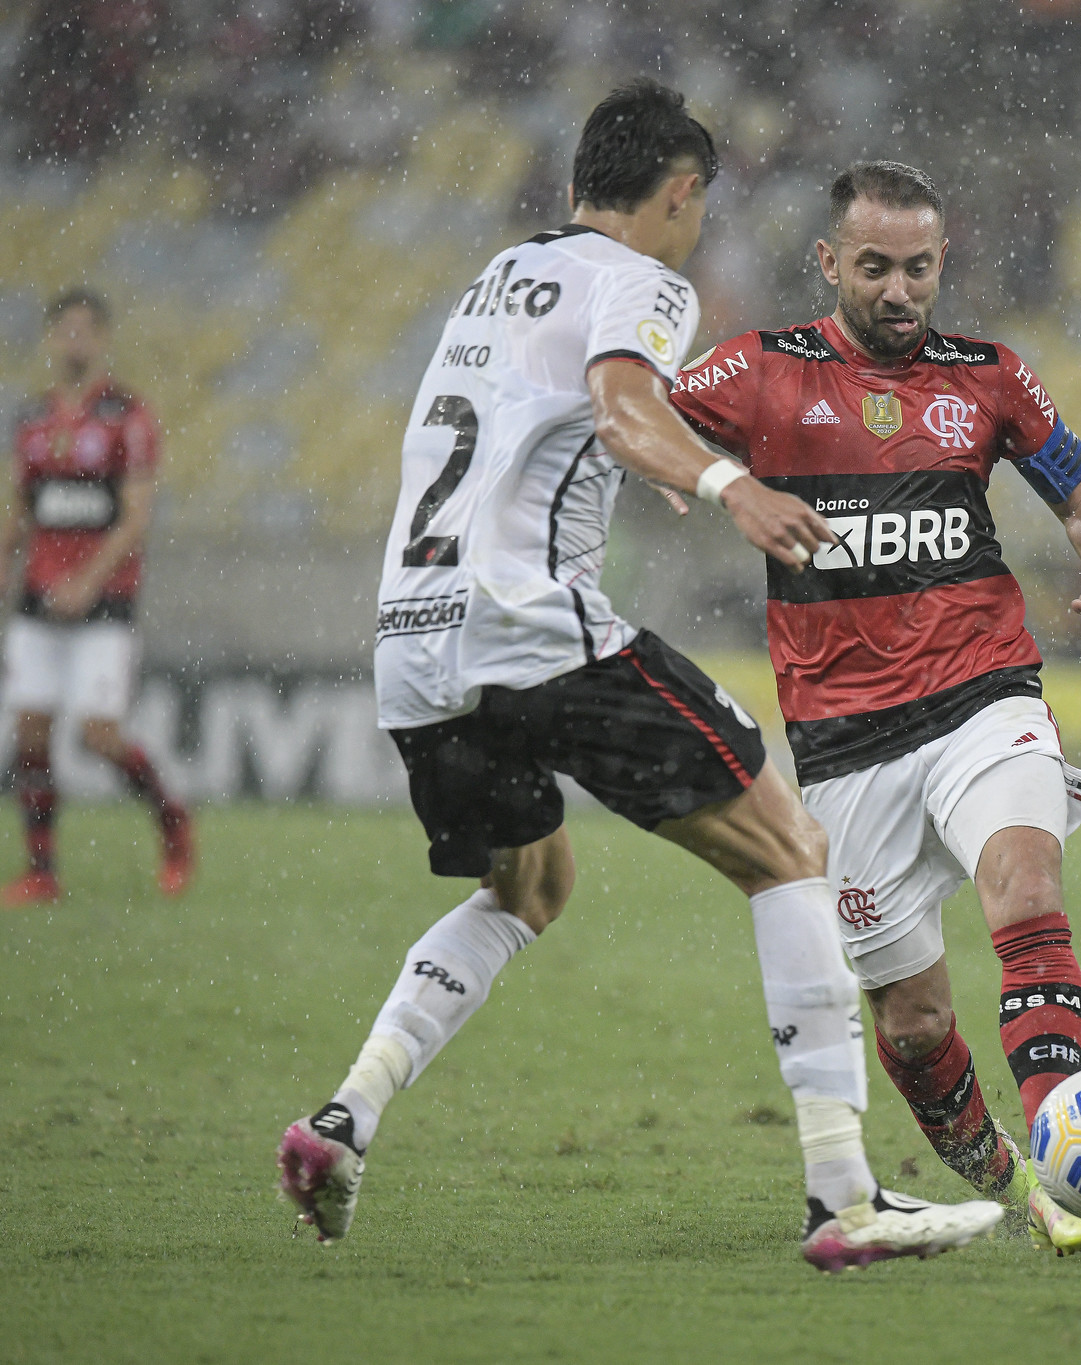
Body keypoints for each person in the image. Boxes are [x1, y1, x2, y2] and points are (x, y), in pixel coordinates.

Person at [275, 82, 1001, 1272]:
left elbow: (542, 421)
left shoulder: (497, 277)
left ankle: (344, 1120)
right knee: (790, 850)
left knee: (529, 888)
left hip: (415, 641)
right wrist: (729, 486)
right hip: (533, 627)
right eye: (697, 209)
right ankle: (842, 1197)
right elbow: (620, 408)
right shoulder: (642, 282)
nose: (695, 231)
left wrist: (660, 456)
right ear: (679, 194)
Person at [668, 161, 1081, 1256]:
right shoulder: (760, 373)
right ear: (829, 263)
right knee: (915, 1023)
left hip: (983, 693)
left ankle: (1065, 1132)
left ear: (943, 263)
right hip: (843, 745)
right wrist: (702, 478)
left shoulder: (987, 377)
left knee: (1024, 886)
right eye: (875, 267)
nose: (899, 290)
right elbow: (634, 415)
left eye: (919, 268)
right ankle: (1010, 1181)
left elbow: (1079, 488)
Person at [3, 289, 192, 906]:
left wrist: (87, 580)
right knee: (30, 732)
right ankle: (42, 871)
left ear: (103, 339)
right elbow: (17, 513)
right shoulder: (32, 420)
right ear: (52, 339)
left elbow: (135, 518)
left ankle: (172, 819)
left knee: (99, 736)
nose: (75, 341)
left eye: (86, 330)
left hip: (104, 601)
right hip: (38, 599)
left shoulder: (126, 417)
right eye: (66, 330)